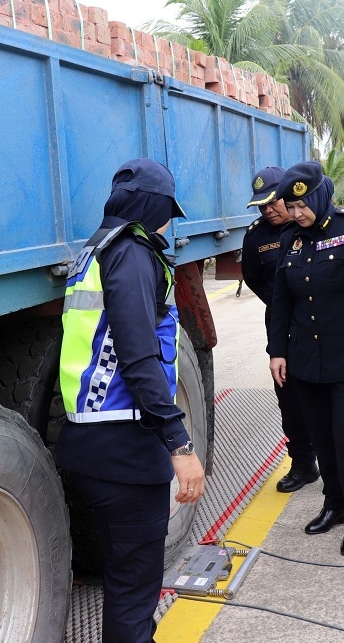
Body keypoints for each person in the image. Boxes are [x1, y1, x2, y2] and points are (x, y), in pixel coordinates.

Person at [57, 158, 206, 643]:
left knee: (124, 580)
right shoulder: (132, 253)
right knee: (134, 588)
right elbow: (139, 358)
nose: (169, 222)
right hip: (125, 447)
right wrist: (181, 447)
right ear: (152, 205)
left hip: (89, 440)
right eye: (167, 210)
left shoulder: (93, 250)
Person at [267, 160, 344, 556]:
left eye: (303, 205)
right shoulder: (290, 238)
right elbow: (281, 301)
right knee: (322, 437)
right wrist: (277, 351)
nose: (298, 213)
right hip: (306, 359)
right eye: (292, 206)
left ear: (320, 196)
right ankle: (334, 504)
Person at [242, 166, 320, 493]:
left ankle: (337, 464)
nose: (269, 210)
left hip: (320, 329)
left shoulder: (317, 226)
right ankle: (303, 465)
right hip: (282, 331)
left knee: (325, 401)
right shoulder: (256, 236)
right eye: (262, 206)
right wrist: (281, 304)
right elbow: (253, 277)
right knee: (289, 401)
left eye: (274, 202)